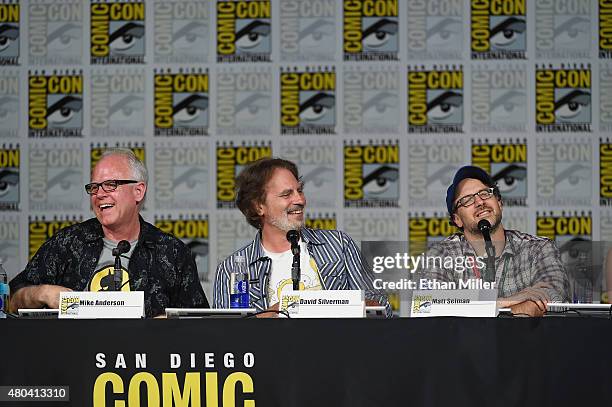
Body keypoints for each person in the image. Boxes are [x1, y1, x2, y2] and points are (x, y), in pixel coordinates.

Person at [9, 148, 209, 317]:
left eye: (111, 184)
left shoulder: (170, 252)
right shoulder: (67, 243)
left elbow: (200, 323)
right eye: (94, 187)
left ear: (138, 191)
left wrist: (169, 323)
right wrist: (41, 293)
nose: (100, 194)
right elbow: (9, 302)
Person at [213, 157, 390, 316]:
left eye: (299, 191)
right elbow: (223, 336)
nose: (300, 200)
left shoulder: (338, 245)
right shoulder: (230, 270)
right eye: (286, 194)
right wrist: (270, 316)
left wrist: (325, 306)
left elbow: (382, 309)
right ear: (259, 206)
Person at [416, 165, 570, 317]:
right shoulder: (440, 255)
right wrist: (509, 304)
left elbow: (557, 296)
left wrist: (474, 308)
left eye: (485, 193)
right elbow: (424, 306)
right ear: (457, 220)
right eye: (467, 200)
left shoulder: (538, 248)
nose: (479, 202)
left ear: (499, 203)